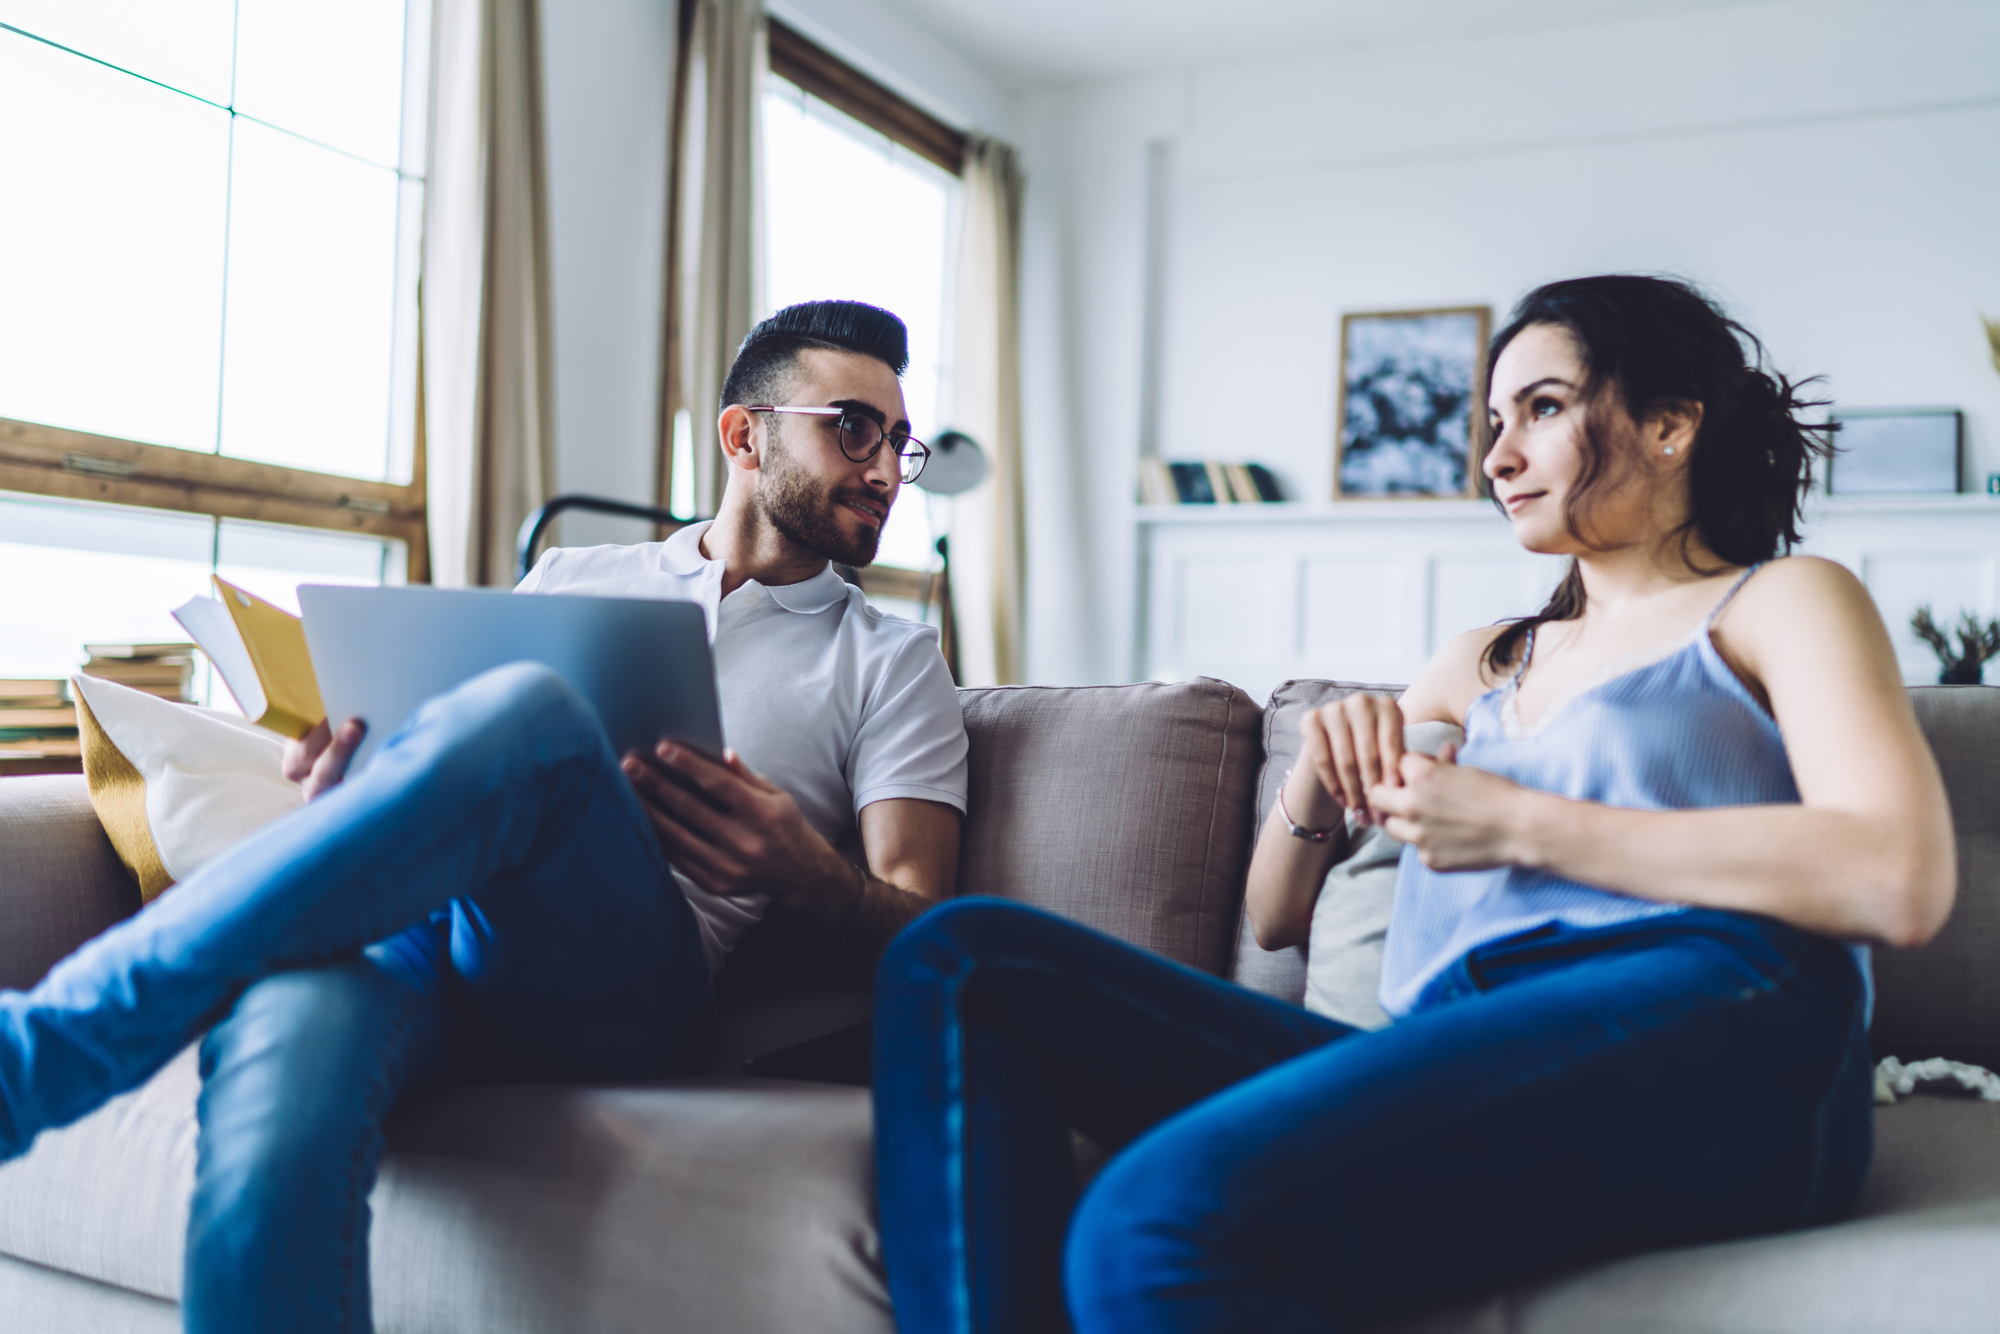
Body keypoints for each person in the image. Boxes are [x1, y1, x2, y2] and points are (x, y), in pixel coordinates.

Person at [871, 275, 1956, 1333]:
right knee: (964, 960)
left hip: (1722, 1016)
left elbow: (1896, 877)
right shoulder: (1477, 657)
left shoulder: (1775, 600)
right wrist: (1315, 776)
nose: (1496, 457)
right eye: (1491, 421)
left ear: (1670, 425)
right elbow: (1272, 918)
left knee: (1153, 1220)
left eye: (1541, 409)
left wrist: (1517, 823)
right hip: (1464, 1038)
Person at [0, 299, 968, 1334]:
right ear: (744, 435)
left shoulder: (889, 658)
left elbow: (929, 930)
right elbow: (456, 768)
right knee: (282, 1034)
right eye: (853, 427)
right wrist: (364, 782)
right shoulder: (572, 575)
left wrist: (797, 866)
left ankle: (54, 1046)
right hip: (430, 936)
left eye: (897, 443)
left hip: (628, 986)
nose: (882, 468)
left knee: (534, 709)